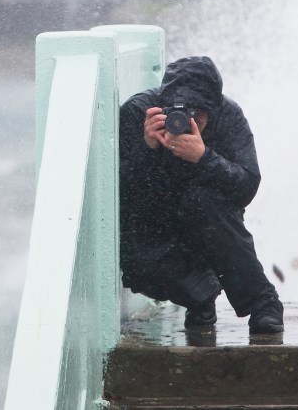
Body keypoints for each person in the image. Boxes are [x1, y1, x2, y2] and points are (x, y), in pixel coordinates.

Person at [118, 55, 284, 334]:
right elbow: (118, 194)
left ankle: (264, 306)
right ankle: (201, 298)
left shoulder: (228, 116)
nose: (187, 120)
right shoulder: (139, 113)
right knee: (138, 264)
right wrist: (146, 147)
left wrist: (204, 157)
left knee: (205, 205)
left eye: (198, 113)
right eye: (180, 112)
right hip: (151, 217)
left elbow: (246, 186)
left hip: (209, 218)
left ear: (213, 109)